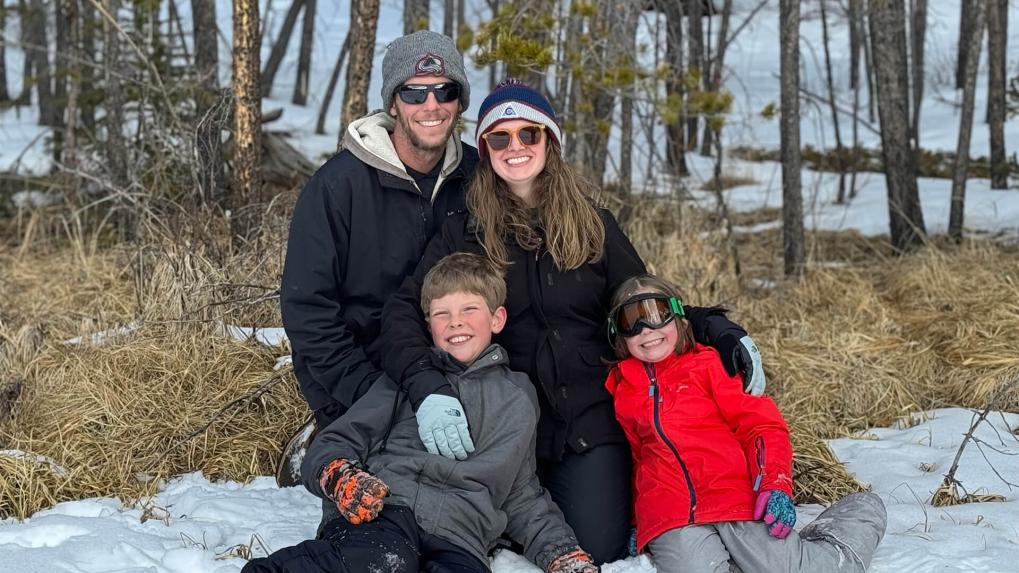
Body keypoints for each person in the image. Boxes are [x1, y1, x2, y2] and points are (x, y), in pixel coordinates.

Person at [380, 78, 768, 564]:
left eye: (529, 134)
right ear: (485, 149)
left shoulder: (594, 225)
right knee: (476, 526)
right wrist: (426, 384)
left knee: (596, 544)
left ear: (551, 141)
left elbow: (642, 305)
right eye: (500, 138)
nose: (515, 147)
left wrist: (717, 329)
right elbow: (403, 309)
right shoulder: (465, 229)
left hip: (587, 419)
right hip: (501, 418)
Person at [244, 253, 597, 573]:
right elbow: (337, 440)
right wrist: (340, 476)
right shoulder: (405, 380)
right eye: (442, 314)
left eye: (469, 310)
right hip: (383, 514)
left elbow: (522, 492)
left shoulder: (517, 398)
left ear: (497, 318)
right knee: (377, 563)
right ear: (428, 324)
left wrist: (560, 552)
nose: (456, 323)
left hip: (461, 537)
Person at [277, 30, 477, 484]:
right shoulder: (337, 186)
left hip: (452, 360)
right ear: (393, 103)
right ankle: (326, 441)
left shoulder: (477, 176)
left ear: (459, 101)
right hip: (363, 371)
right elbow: (308, 311)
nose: (431, 105)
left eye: (444, 90)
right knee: (399, 486)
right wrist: (369, 395)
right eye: (414, 92)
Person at [604, 274, 887, 573]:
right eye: (631, 320)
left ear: (679, 317)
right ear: (618, 332)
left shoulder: (710, 364)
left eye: (656, 314)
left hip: (736, 499)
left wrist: (774, 483)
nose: (646, 329)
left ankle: (851, 524)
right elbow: (636, 459)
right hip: (672, 516)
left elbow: (762, 427)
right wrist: (639, 522)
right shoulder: (622, 388)